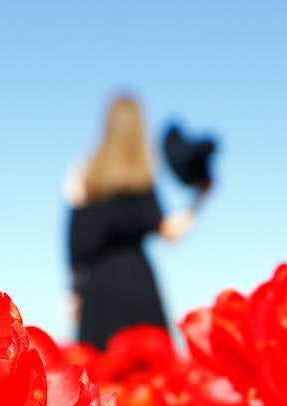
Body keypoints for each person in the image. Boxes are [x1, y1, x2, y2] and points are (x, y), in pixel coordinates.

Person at [66, 95, 208, 350]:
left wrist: (73, 294)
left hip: (98, 289)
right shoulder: (141, 178)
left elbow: (74, 245)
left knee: (100, 374)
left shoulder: (83, 175)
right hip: (138, 286)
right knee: (149, 378)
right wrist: (199, 200)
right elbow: (170, 233)